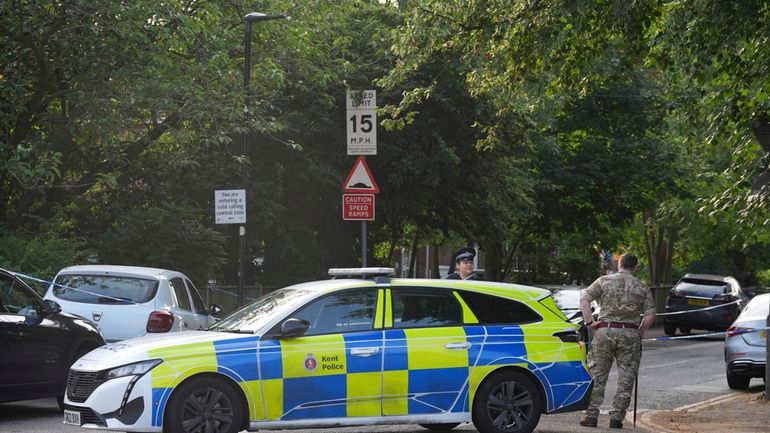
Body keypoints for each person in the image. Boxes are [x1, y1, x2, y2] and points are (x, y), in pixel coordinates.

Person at [579, 253, 655, 429]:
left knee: (597, 374)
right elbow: (651, 315)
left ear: (619, 263)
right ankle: (616, 418)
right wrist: (640, 332)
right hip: (630, 333)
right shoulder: (642, 287)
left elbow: (584, 300)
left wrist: (590, 322)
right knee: (626, 377)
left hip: (605, 331)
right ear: (635, 267)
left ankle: (591, 415)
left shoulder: (603, 281)